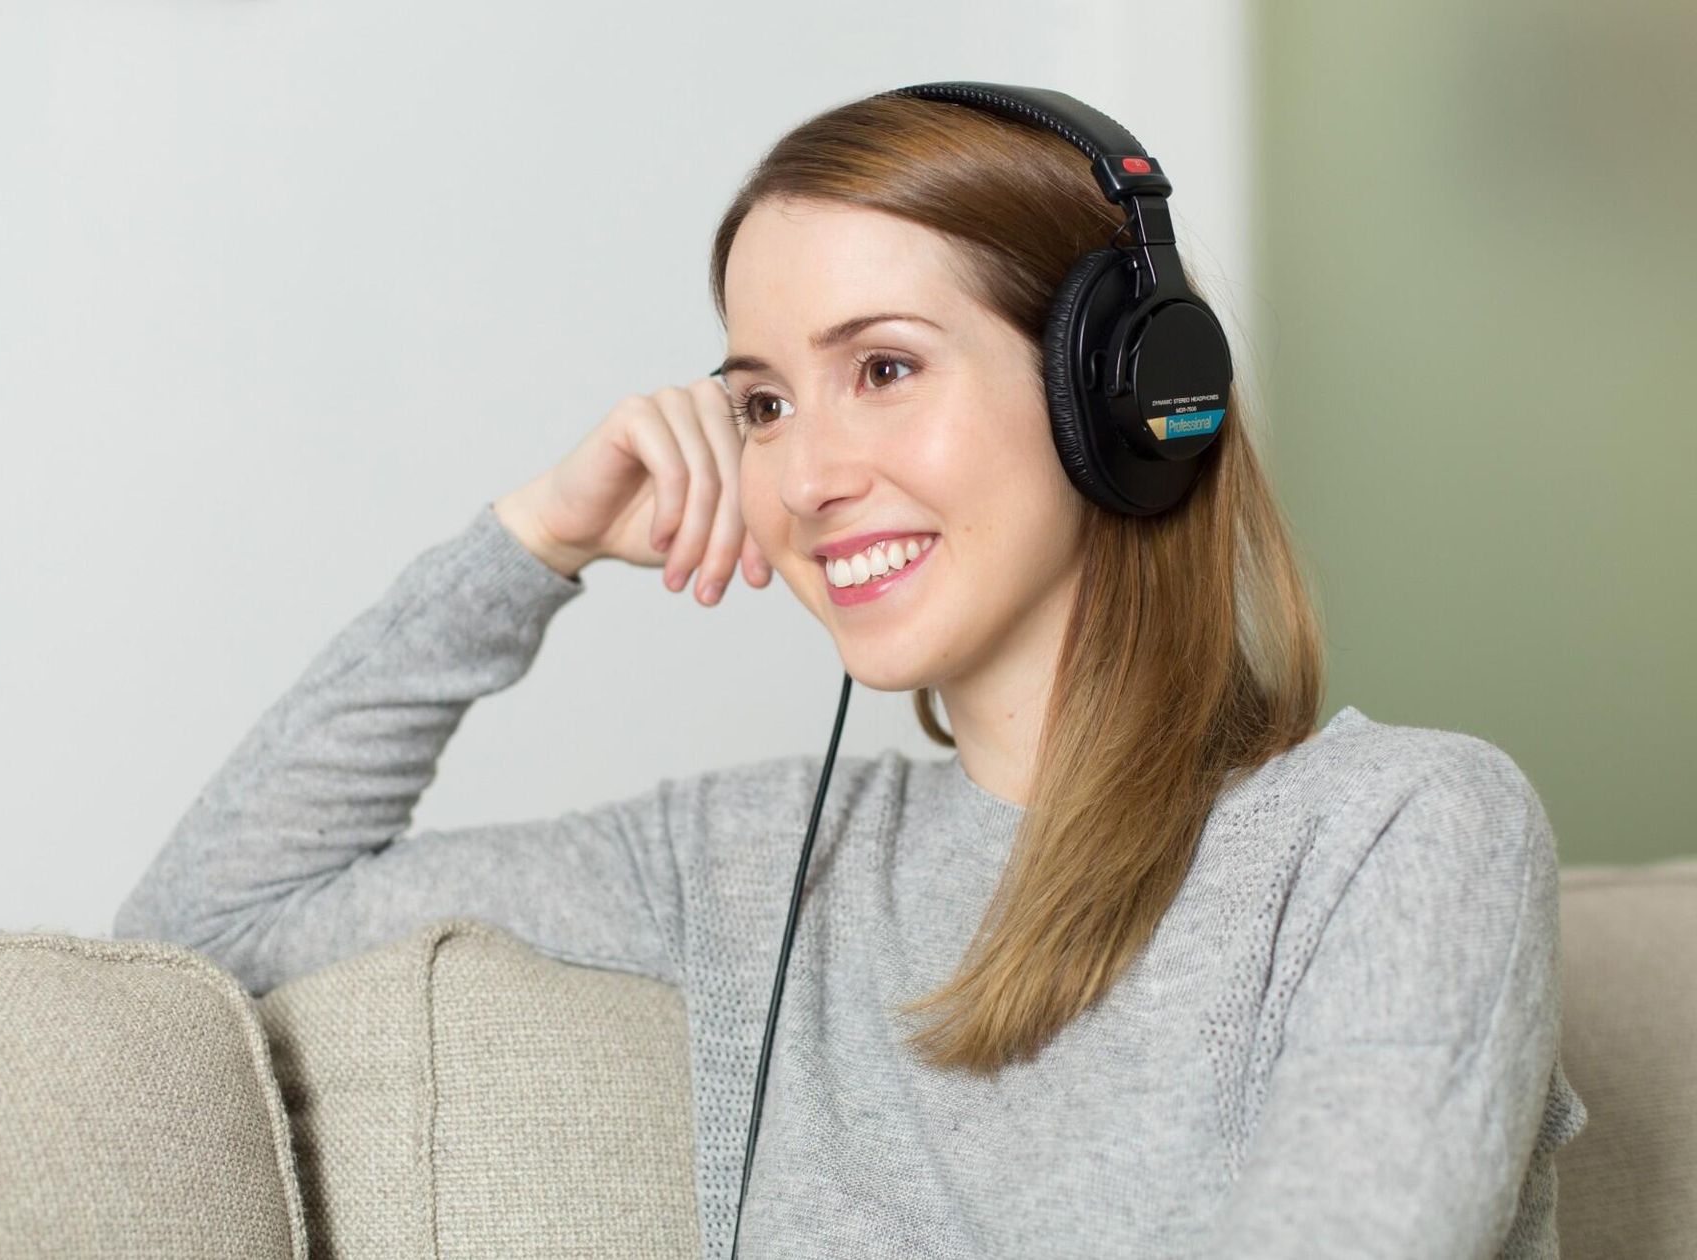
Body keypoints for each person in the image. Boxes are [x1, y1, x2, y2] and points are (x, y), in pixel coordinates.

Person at [113, 88, 1588, 1258]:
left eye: (883, 368)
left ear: (1125, 399)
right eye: (761, 401)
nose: (805, 477)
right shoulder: (756, 862)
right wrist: (531, 544)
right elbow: (208, 927)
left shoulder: (1403, 833)